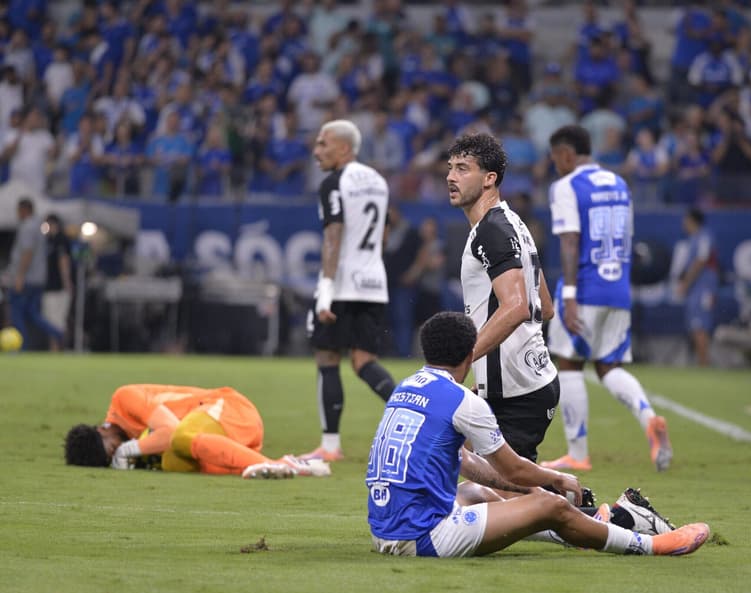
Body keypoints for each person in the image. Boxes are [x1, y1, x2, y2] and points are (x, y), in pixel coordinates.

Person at [366, 311, 709, 558]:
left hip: (385, 529)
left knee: (476, 490)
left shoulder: (406, 387)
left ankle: (578, 528)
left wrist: (529, 489)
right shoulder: (463, 401)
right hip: (423, 537)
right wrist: (555, 480)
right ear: (472, 354)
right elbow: (512, 468)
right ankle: (651, 546)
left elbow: (468, 464)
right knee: (549, 504)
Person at [541, 125, 672, 473]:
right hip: (618, 287)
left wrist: (569, 296)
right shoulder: (619, 183)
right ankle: (649, 419)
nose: (555, 165)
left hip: (583, 286)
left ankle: (577, 452)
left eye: (555, 158)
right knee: (609, 365)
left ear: (567, 154)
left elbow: (570, 242)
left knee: (568, 363)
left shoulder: (567, 186)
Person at [446, 133, 559, 463]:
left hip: (517, 395)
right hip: (521, 384)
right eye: (450, 168)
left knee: (508, 504)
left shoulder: (492, 231)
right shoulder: (513, 223)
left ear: (489, 179)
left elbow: (517, 306)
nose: (451, 177)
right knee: (455, 470)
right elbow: (545, 307)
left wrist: (464, 362)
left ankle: (619, 515)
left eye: (463, 169)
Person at [301, 119, 396, 463]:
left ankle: (329, 447)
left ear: (343, 147)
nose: (316, 151)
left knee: (327, 357)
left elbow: (333, 236)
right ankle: (420, 421)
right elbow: (383, 235)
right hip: (373, 282)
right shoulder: (378, 181)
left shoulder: (333, 182)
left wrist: (325, 291)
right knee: (364, 362)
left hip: (341, 283)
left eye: (322, 144)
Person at [64, 384, 329, 479]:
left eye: (112, 448)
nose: (117, 454)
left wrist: (131, 448)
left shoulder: (124, 399)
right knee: (172, 462)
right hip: (230, 442)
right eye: (111, 458)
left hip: (230, 408)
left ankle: (282, 465)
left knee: (178, 441)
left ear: (103, 429)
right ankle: (286, 465)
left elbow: (171, 432)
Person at [1, 198, 63, 351]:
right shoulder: (39, 227)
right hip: (38, 279)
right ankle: (57, 333)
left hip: (26, 279)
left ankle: (20, 346)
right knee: (32, 313)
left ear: (24, 210)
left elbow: (27, 253)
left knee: (17, 312)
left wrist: (20, 276)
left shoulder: (28, 227)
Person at [676, 208, 720, 367]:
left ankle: (704, 364)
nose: (683, 223)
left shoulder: (704, 237)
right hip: (696, 289)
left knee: (700, 326)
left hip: (704, 288)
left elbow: (701, 261)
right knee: (696, 326)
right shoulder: (693, 239)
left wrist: (686, 283)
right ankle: (702, 363)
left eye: (685, 220)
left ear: (692, 220)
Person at [42, 214, 73, 348]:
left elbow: (63, 262)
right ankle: (54, 348)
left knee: (57, 321)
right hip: (48, 286)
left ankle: (59, 348)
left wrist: (66, 283)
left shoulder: (61, 240)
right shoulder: (48, 240)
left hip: (58, 287)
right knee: (50, 320)